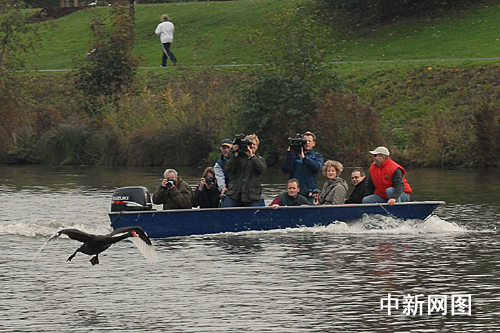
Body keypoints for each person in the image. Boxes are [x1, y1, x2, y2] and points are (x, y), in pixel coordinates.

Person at [222, 134, 267, 207]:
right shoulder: (236, 157)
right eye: (249, 144)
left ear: (257, 147)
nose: (251, 146)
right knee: (224, 213)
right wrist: (235, 153)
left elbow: (262, 169)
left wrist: (252, 156)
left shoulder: (260, 160)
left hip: (252, 197)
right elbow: (227, 168)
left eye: (254, 144)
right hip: (234, 195)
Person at [281, 131, 324, 204]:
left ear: (313, 143)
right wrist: (290, 154)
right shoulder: (295, 155)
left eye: (309, 141)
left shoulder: (317, 156)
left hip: (308, 193)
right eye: (305, 141)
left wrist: (304, 158)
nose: (307, 143)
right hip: (294, 193)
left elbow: (317, 167)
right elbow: (285, 169)